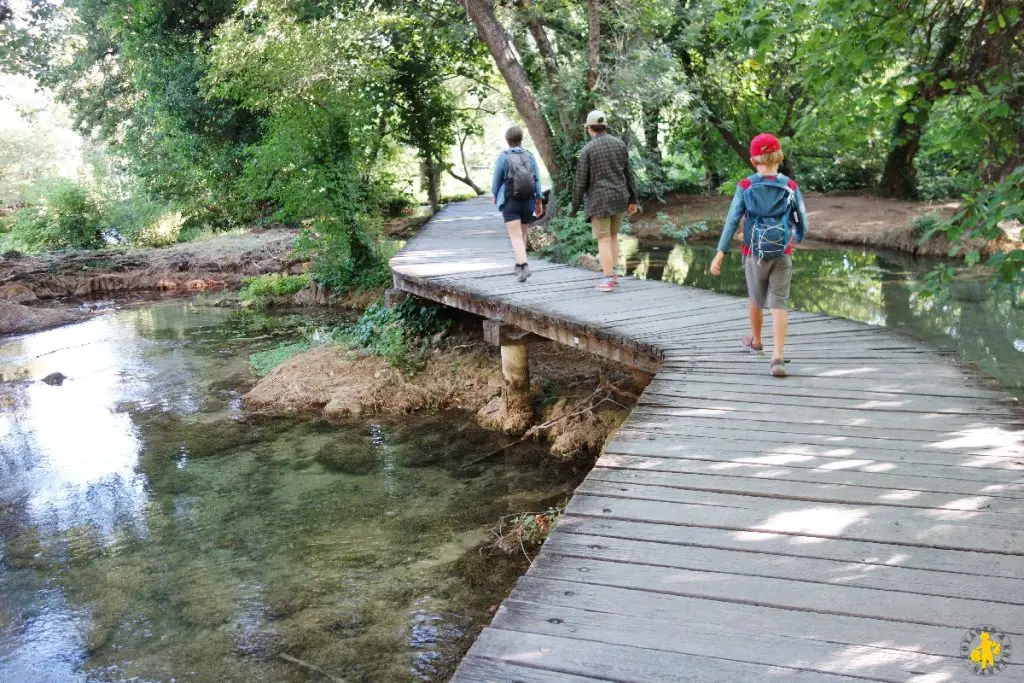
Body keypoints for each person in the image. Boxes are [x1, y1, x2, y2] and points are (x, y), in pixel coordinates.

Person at [710, 133, 808, 377]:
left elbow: (732, 220)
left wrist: (721, 252)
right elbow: (801, 220)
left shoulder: (746, 185)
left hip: (754, 253)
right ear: (779, 156)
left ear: (754, 160)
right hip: (782, 252)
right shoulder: (790, 185)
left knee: (756, 299)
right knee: (779, 304)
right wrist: (797, 237)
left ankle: (756, 341)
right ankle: (777, 357)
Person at [572, 110, 638, 292]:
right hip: (619, 198)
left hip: (599, 201)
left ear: (589, 129)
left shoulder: (587, 150)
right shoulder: (619, 145)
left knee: (603, 239)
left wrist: (574, 206)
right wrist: (633, 199)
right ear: (605, 127)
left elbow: (580, 182)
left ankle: (608, 279)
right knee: (613, 237)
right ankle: (613, 274)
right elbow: (628, 174)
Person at [491, 126, 544, 283]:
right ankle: (519, 267)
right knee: (523, 234)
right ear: (521, 139)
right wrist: (539, 200)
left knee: (515, 237)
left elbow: (496, 180)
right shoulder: (530, 155)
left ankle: (524, 265)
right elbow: (537, 180)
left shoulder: (503, 157)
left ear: (507, 140)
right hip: (528, 200)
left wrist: (495, 195)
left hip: (510, 201)